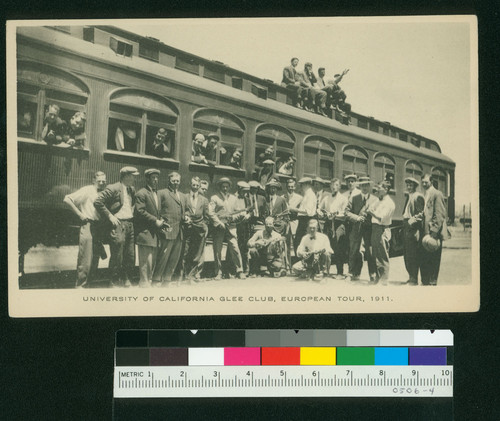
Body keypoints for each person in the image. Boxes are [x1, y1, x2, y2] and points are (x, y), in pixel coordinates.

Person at [94, 166, 139, 288]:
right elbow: (98, 202)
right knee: (117, 255)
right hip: (118, 225)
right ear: (126, 176)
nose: (134, 178)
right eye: (133, 176)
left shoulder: (132, 190)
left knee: (130, 255)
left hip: (130, 225)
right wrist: (110, 216)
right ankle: (113, 281)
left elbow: (132, 203)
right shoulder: (113, 188)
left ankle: (126, 279)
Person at [63, 171, 107, 288]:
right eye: (99, 181)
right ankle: (80, 286)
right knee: (86, 259)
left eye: (104, 181)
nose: (101, 183)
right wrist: (79, 214)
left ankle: (89, 285)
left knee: (95, 259)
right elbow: (67, 199)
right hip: (88, 225)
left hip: (99, 227)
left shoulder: (105, 192)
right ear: (93, 180)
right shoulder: (87, 190)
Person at [156, 172, 189, 286]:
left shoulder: (183, 196)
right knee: (163, 257)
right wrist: (161, 224)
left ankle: (167, 280)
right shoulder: (162, 193)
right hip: (168, 231)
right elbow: (157, 210)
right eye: (173, 181)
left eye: (178, 181)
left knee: (174, 258)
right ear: (169, 181)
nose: (176, 183)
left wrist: (187, 217)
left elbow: (187, 210)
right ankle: (156, 280)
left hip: (179, 232)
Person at [209, 177, 245, 279]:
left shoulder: (234, 198)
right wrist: (219, 222)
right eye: (223, 186)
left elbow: (238, 211)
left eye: (227, 187)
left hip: (231, 226)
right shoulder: (214, 198)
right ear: (220, 187)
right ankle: (218, 272)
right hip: (219, 227)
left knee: (235, 248)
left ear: (229, 187)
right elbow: (211, 213)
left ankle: (240, 270)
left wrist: (234, 217)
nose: (225, 188)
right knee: (217, 250)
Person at [134, 169, 164, 288]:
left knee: (152, 258)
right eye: (153, 178)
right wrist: (155, 220)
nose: (156, 180)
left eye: (157, 177)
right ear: (147, 179)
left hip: (154, 232)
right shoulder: (142, 193)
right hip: (145, 231)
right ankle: (143, 282)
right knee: (146, 259)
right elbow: (140, 211)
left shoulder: (156, 193)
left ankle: (148, 280)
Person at [345, 176, 378, 282]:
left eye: (366, 185)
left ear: (369, 186)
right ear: (360, 186)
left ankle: (372, 274)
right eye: (362, 185)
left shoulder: (375, 199)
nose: (364, 187)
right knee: (353, 250)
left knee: (370, 251)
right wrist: (357, 217)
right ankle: (351, 273)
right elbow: (346, 212)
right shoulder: (354, 198)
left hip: (370, 229)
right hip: (356, 228)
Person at [318, 178, 349, 278]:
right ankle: (325, 270)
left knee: (338, 247)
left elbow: (345, 213)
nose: (333, 187)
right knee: (326, 245)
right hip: (328, 223)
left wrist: (335, 215)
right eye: (332, 185)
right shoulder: (326, 198)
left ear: (339, 186)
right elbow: (319, 208)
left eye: (336, 185)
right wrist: (322, 213)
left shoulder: (343, 199)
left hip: (339, 224)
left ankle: (340, 272)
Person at [420, 173, 447, 286]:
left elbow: (440, 214)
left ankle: (432, 281)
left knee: (434, 259)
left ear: (431, 181)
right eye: (422, 182)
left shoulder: (437, 194)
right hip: (425, 232)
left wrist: (434, 232)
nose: (424, 184)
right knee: (424, 258)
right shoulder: (425, 194)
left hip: (433, 233)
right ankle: (425, 281)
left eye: (426, 182)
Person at [183, 176, 210, 282]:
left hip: (199, 230)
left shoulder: (204, 200)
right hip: (187, 228)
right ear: (190, 185)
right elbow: (183, 210)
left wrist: (203, 226)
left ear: (199, 187)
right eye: (193, 185)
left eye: (197, 186)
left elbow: (207, 216)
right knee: (185, 252)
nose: (195, 187)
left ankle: (192, 276)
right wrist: (186, 217)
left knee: (197, 253)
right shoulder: (184, 197)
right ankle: (184, 275)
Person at [367, 181, 396, 285]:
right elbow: (371, 207)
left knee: (382, 255)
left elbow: (381, 218)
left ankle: (384, 280)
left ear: (386, 189)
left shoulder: (389, 203)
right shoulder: (379, 201)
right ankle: (378, 278)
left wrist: (371, 212)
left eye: (380, 188)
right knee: (375, 254)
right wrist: (371, 210)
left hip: (382, 229)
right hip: (375, 229)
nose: (377, 190)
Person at [402, 177, 425, 285]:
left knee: (413, 254)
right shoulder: (409, 196)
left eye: (411, 185)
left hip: (413, 228)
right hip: (406, 226)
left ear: (415, 186)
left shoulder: (418, 196)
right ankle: (411, 276)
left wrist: (412, 222)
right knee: (407, 254)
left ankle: (414, 279)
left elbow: (420, 214)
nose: (408, 187)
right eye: (407, 185)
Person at [282, 178, 303, 265]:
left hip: (295, 222)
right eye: (289, 187)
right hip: (286, 222)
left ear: (295, 187)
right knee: (286, 243)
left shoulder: (300, 198)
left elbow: (302, 210)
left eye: (292, 187)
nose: (290, 188)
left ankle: (298, 264)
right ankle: (287, 264)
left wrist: (293, 209)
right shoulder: (282, 197)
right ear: (286, 187)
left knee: (296, 243)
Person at [295, 177, 317, 251]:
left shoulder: (310, 195)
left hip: (306, 221)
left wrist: (293, 209)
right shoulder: (307, 195)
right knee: (299, 242)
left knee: (303, 243)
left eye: (302, 185)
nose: (301, 187)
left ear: (307, 184)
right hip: (302, 221)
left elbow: (308, 211)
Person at [235, 181, 253, 275]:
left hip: (245, 226)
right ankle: (233, 269)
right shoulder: (233, 198)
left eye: (246, 191)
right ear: (239, 189)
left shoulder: (247, 199)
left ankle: (246, 268)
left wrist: (248, 215)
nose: (245, 193)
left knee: (245, 247)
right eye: (244, 191)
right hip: (236, 225)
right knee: (235, 247)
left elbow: (251, 210)